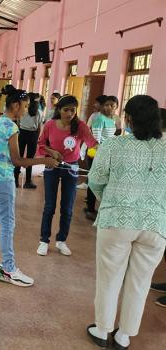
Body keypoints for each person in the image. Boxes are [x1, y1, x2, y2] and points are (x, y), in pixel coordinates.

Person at [86, 95, 166, 350]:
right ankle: (124, 336)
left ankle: (102, 330)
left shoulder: (113, 146)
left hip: (116, 220)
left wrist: (110, 199)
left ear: (128, 118)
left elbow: (95, 180)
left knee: (110, 277)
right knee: (140, 282)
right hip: (155, 224)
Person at [0, 86, 57, 287]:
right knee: (8, 224)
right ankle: (9, 269)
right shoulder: (11, 127)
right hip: (3, 179)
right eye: (26, 105)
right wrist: (44, 161)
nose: (27, 109)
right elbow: (18, 160)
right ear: (15, 105)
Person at [36, 95, 98, 257]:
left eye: (73, 109)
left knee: (67, 208)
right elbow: (41, 145)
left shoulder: (81, 126)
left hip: (71, 168)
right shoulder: (50, 125)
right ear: (59, 110)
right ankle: (44, 240)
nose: (70, 113)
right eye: (66, 110)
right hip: (53, 167)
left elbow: (93, 143)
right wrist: (52, 152)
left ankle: (61, 240)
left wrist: (103, 150)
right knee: (49, 206)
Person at [85, 96, 118, 220]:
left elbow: (112, 136)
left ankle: (97, 207)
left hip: (107, 153)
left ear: (116, 107)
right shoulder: (99, 118)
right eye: (107, 105)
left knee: (103, 181)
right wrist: (103, 154)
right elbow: (96, 139)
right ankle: (90, 208)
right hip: (97, 154)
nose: (109, 107)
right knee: (94, 180)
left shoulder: (112, 119)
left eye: (112, 105)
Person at [13, 93, 44, 189]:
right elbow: (39, 127)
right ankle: (28, 182)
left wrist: (19, 131)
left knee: (19, 156)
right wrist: (37, 138)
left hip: (21, 133)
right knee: (30, 159)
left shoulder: (24, 110)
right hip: (33, 135)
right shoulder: (39, 112)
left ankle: (15, 181)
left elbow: (18, 122)